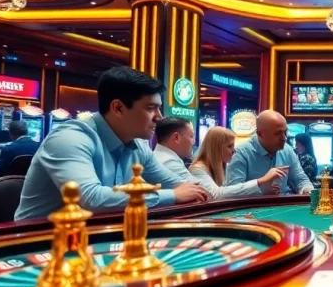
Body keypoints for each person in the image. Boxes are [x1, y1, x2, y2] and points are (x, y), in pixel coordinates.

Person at [15, 66, 209, 220]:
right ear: (118, 108)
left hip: (99, 237)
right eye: (151, 108)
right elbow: (91, 199)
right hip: (37, 245)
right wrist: (173, 196)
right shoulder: (70, 138)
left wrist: (194, 189)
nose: (159, 117)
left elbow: (178, 184)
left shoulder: (139, 147)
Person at [226, 110, 313, 194]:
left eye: (285, 132)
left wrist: (307, 190)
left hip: (284, 205)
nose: (284, 138)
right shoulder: (241, 153)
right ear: (260, 133)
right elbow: (231, 191)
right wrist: (260, 188)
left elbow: (301, 179)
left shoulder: (287, 150)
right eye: (278, 133)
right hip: (252, 207)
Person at [189, 126, 287, 199]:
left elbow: (230, 191)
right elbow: (216, 194)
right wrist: (261, 181)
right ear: (217, 148)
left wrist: (262, 191)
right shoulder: (197, 169)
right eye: (230, 146)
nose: (234, 150)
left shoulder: (221, 167)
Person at [152, 117, 197, 182]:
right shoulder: (169, 162)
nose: (194, 142)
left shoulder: (156, 156)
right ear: (176, 137)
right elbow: (201, 190)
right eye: (191, 136)